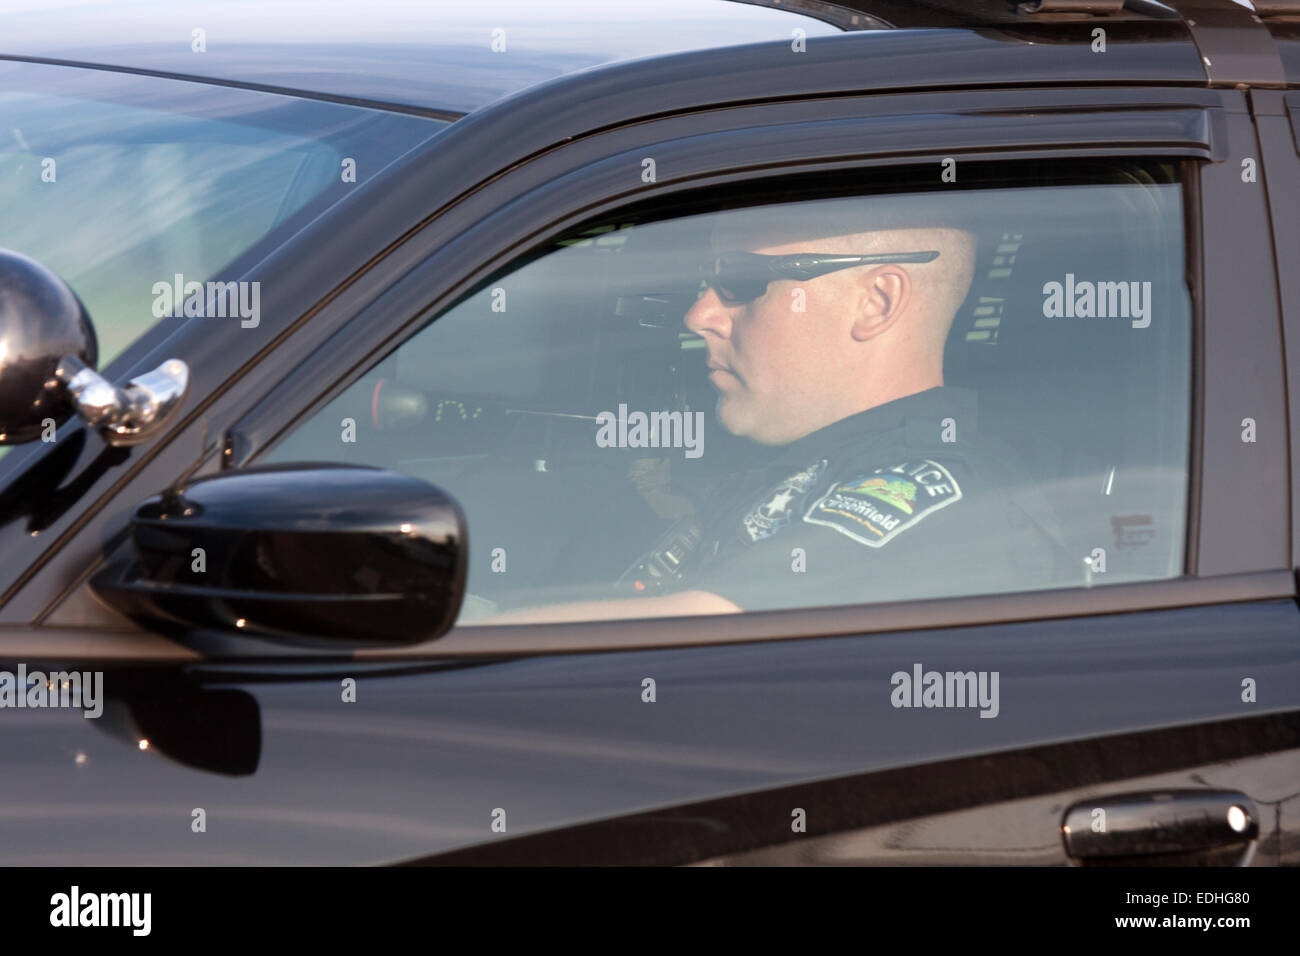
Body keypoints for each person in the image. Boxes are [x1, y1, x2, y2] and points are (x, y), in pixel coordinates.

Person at [483, 195, 1070, 623]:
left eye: (741, 280)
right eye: (705, 283)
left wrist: (451, 644)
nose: (699, 315)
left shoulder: (946, 507)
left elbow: (695, 626)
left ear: (877, 302)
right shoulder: (786, 469)